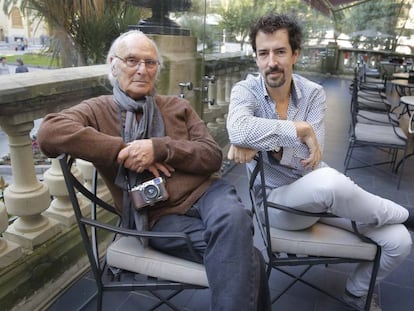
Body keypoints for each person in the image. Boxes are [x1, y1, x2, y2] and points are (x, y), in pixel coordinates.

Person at [37, 30, 270, 311]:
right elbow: (48, 134)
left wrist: (159, 148)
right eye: (132, 60)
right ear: (113, 63)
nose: (142, 70)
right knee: (252, 259)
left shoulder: (177, 106)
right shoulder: (99, 110)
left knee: (233, 218)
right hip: (159, 215)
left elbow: (211, 157)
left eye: (150, 63)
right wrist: (126, 150)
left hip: (209, 193)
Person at [226, 12, 413, 311]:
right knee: (329, 182)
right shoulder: (245, 90)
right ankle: (404, 212)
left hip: (319, 195)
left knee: (400, 242)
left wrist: (266, 143)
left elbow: (313, 155)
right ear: (256, 57)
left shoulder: (313, 93)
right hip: (277, 205)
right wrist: (298, 130)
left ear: (295, 54)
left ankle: (357, 290)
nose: (271, 61)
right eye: (263, 53)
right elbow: (237, 129)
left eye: (280, 51)